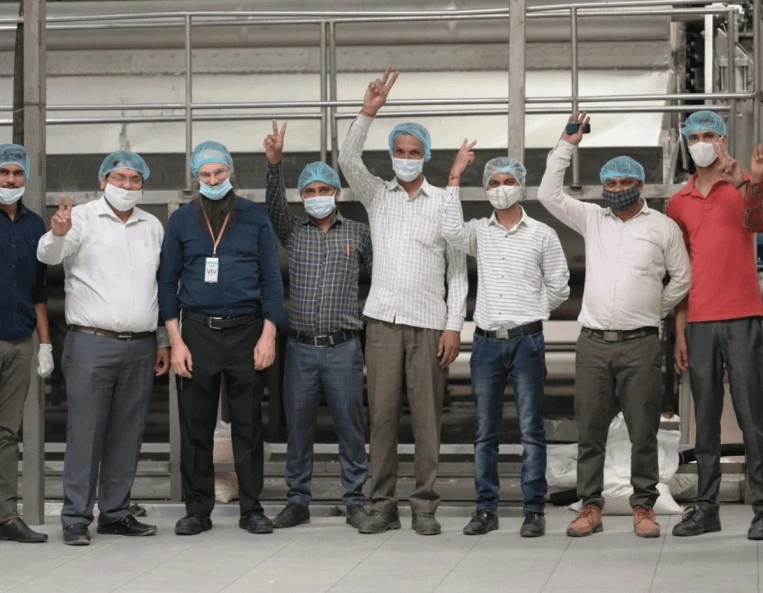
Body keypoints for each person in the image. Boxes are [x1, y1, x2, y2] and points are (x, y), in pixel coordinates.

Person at [537, 112, 691, 538]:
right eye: (612, 185)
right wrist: (567, 142)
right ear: (603, 188)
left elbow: (682, 277)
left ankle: (644, 506)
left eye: (626, 184)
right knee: (591, 430)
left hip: (641, 343)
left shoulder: (663, 227)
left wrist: (654, 308)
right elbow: (549, 193)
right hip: (593, 344)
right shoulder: (593, 219)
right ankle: (590, 506)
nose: (618, 190)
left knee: (643, 429)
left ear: (640, 186)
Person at [338, 68, 468, 536]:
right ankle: (382, 504)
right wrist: (367, 113)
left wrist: (454, 325)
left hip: (429, 323)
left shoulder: (442, 202)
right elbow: (347, 159)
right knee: (383, 418)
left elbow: (457, 268)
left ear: (427, 157)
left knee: (428, 421)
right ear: (391, 155)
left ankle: (425, 505)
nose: (406, 158)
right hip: (383, 323)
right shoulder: (378, 195)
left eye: (414, 153)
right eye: (399, 151)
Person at [37, 151, 170, 546]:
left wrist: (161, 338)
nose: (126, 186)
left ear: (142, 185)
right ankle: (76, 516)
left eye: (134, 180)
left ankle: (114, 512)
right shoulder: (80, 218)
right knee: (86, 432)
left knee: (127, 433)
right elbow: (49, 255)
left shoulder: (152, 226)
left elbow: (159, 288)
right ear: (102, 181)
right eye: (119, 178)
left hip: (141, 346)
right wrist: (57, 231)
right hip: (92, 342)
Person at [158, 141, 286, 537]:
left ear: (231, 173)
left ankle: (252, 508)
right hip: (196, 332)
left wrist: (269, 333)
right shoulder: (181, 221)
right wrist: (176, 341)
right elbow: (166, 283)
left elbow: (272, 279)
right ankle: (197, 509)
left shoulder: (254, 218)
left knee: (248, 423)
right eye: (205, 175)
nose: (213, 181)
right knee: (196, 426)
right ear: (196, 178)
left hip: (248, 332)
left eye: (219, 173)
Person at [444, 148, 570, 537]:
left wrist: (531, 312)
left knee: (531, 428)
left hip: (527, 342)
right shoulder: (478, 231)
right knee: (486, 430)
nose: (502, 189)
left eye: (509, 182)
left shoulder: (543, 234)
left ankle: (534, 509)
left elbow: (560, 286)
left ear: (522, 185)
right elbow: (450, 231)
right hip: (485, 343)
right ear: (485, 190)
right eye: (494, 184)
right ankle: (486, 508)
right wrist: (454, 178)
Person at [263, 121, 373, 530]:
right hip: (301, 349)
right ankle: (297, 501)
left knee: (350, 425)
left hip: (344, 347)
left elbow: (377, 280)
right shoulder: (294, 233)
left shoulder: (359, 235)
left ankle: (355, 500)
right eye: (309, 192)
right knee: (299, 427)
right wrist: (274, 164)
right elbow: (274, 205)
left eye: (323, 190)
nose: (316, 197)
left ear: (337, 194)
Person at [667, 110, 763, 540]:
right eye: (696, 136)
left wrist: (749, 179)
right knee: (703, 421)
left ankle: (762, 507)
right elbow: (679, 271)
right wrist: (681, 328)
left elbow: (758, 224)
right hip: (701, 320)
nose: (703, 142)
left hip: (743, 315)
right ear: (687, 143)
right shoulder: (678, 202)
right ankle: (706, 507)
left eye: (710, 135)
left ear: (723, 140)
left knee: (752, 416)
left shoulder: (741, 185)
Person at [0, 144, 52, 544]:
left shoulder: (36, 226)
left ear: (26, 177)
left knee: (6, 433)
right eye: (4, 173)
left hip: (20, 341)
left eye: (17, 173)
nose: (10, 180)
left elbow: (39, 292)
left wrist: (45, 344)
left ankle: (5, 517)